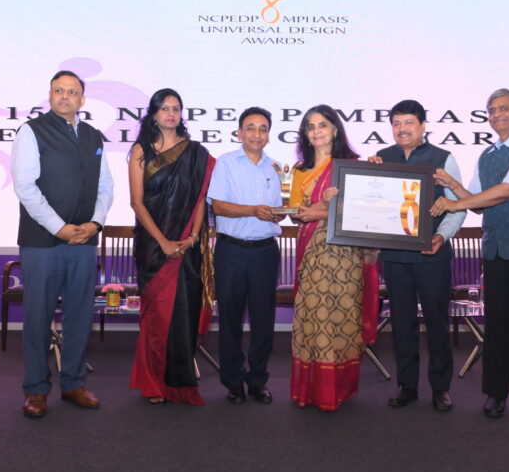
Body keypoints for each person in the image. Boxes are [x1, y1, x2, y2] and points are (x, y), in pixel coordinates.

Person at [430, 88, 509, 424]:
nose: (497, 114)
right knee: (498, 328)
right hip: (497, 251)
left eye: (504, 108)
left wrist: (455, 204)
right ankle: (496, 394)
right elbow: (476, 200)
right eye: (491, 110)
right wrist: (452, 185)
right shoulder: (487, 155)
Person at [11, 69, 114, 418]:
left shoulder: (93, 135)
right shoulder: (31, 131)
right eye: (59, 90)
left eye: (72, 91)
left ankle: (73, 383)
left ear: (82, 99)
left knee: (80, 316)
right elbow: (25, 187)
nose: (65, 96)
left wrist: (95, 223)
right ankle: (36, 389)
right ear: (50, 95)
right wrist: (59, 228)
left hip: (84, 240)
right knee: (38, 318)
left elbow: (105, 187)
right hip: (42, 242)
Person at [371, 100, 466, 411]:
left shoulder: (443, 158)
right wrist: (369, 177)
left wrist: (441, 236)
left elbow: (458, 207)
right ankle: (407, 386)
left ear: (423, 125)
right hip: (394, 257)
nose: (402, 129)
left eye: (409, 122)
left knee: (437, 322)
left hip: (431, 253)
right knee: (402, 323)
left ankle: (440, 388)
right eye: (397, 123)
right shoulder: (382, 157)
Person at [128, 88, 216, 406]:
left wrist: (191, 238)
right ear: (153, 114)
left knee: (183, 317)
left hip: (187, 249)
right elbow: (137, 203)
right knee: (156, 317)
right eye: (164, 108)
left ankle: (180, 384)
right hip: (153, 249)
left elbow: (201, 200)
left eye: (176, 108)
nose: (171, 114)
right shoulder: (141, 151)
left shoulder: (196, 153)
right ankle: (154, 383)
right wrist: (164, 242)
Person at [289, 105, 379, 411]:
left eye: (323, 125)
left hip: (345, 256)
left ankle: (337, 390)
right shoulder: (300, 171)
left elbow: (364, 207)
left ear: (335, 129)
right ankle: (312, 389)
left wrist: (323, 209)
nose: (317, 131)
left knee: (342, 317)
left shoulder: (352, 166)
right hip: (312, 254)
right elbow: (295, 213)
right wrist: (319, 208)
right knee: (313, 317)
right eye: (311, 126)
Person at [207, 107, 283, 405]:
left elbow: (278, 210)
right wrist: (253, 210)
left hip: (265, 251)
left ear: (268, 135)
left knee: (264, 321)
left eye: (263, 128)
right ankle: (234, 382)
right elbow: (218, 207)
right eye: (250, 128)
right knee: (230, 320)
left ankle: (258, 380)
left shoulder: (275, 167)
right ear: (239, 133)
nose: (257, 134)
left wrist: (280, 213)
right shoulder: (226, 163)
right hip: (232, 251)